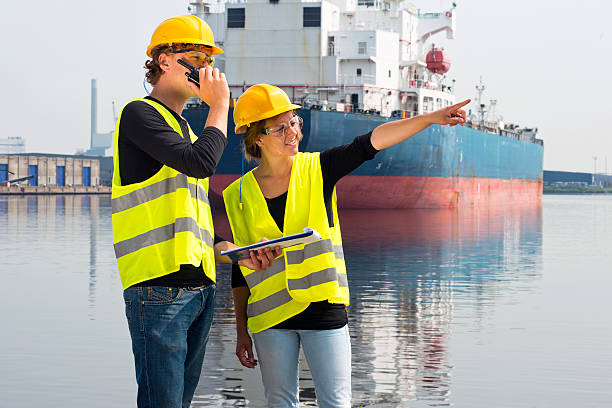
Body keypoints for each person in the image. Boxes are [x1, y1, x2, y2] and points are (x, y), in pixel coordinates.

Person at [222, 84, 469, 407]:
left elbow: (370, 143)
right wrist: (241, 330)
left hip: (323, 310)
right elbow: (240, 272)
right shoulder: (237, 194)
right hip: (269, 318)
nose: (292, 133)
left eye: (294, 123)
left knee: (336, 402)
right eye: (280, 128)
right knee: (279, 402)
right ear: (257, 137)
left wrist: (430, 119)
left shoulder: (318, 169)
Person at [111, 15, 274, 408]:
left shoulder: (184, 129)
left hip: (199, 289)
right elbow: (202, 163)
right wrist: (221, 105)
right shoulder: (139, 114)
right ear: (164, 60)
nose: (205, 70)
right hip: (158, 289)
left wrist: (234, 250)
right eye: (196, 60)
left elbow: (189, 222)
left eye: (208, 62)